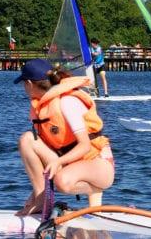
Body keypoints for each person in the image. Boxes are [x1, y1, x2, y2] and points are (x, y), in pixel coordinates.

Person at [14, 59, 115, 216]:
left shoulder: (67, 102)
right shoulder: (42, 107)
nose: (24, 88)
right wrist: (35, 195)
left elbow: (85, 146)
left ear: (29, 83)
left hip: (97, 164)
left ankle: (95, 189)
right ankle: (42, 201)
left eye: (24, 85)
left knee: (61, 181)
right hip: (69, 163)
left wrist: (58, 162)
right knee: (27, 139)